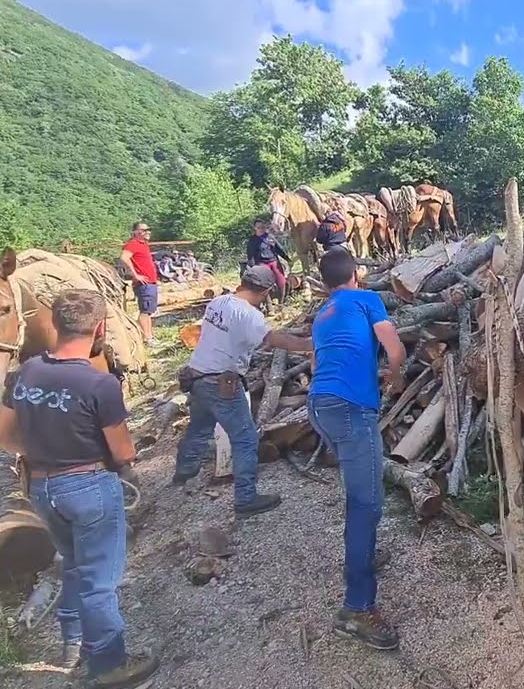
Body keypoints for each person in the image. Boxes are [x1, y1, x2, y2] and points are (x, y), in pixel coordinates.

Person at [0, 289, 159, 689]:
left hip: (44, 487)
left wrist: (42, 451)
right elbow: (123, 451)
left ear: (56, 326)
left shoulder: (25, 373)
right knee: (100, 580)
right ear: (99, 329)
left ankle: (73, 641)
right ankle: (108, 665)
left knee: (73, 565)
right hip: (90, 487)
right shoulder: (100, 383)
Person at [307, 249, 406, 650]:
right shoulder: (366, 299)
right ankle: (357, 607)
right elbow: (394, 348)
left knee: (358, 491)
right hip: (350, 408)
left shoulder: (322, 314)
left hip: (319, 405)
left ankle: (360, 554)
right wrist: (395, 378)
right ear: (356, 275)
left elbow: (317, 365)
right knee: (368, 503)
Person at [171, 265, 311, 515]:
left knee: (199, 427)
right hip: (221, 381)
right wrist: (309, 344)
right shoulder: (250, 316)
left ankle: (183, 473)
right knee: (245, 438)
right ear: (268, 290)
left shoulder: (219, 301)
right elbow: (273, 340)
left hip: (197, 376)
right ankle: (245, 498)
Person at [119, 222, 158, 347]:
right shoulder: (133, 244)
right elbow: (124, 257)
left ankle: (145, 335)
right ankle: (148, 338)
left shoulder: (143, 245)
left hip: (150, 282)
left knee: (149, 310)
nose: (147, 232)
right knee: (145, 311)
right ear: (135, 232)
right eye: (143, 230)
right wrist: (135, 275)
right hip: (144, 283)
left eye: (148, 230)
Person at [245, 218, 291, 302]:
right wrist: (253, 267)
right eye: (259, 227)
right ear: (255, 228)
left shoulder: (269, 237)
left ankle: (282, 301)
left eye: (262, 227)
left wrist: (287, 258)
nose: (261, 229)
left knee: (281, 281)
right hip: (261, 263)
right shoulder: (252, 240)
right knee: (264, 284)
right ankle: (269, 305)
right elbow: (250, 255)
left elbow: (278, 249)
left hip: (273, 260)